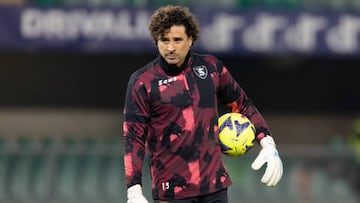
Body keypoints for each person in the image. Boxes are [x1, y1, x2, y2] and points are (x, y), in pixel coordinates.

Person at [123, 5, 283, 203]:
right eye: (164, 40)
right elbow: (134, 138)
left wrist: (267, 142)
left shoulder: (211, 68)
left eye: (177, 40)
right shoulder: (142, 81)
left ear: (190, 40)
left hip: (214, 188)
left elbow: (242, 105)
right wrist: (134, 190)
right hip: (171, 192)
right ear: (157, 41)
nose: (170, 47)